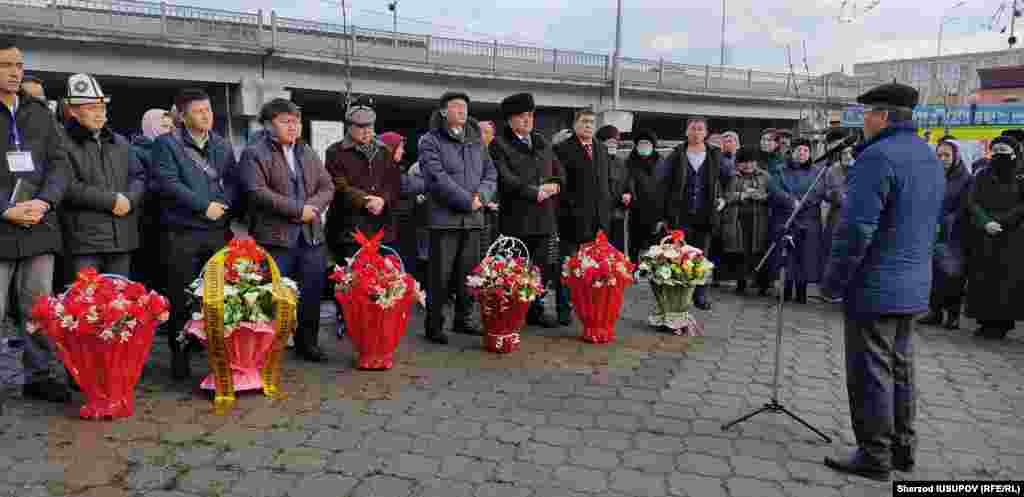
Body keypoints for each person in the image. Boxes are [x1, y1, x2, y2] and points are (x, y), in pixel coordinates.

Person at [823, 83, 944, 481]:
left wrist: (833, 282)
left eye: (867, 114)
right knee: (901, 369)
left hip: (875, 285)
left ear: (883, 117)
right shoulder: (928, 155)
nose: (864, 121)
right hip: (913, 283)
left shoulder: (876, 157)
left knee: (871, 371)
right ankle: (902, 450)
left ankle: (875, 455)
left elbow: (856, 228)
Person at [0, 38, 71, 403]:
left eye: (19, 65)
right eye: (5, 65)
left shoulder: (39, 112)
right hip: (3, 223)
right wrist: (5, 208)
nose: (15, 72)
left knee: (39, 307)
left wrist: (45, 201)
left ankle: (40, 375)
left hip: (39, 225)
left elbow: (60, 163)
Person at [153, 88, 241, 379]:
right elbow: (168, 183)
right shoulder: (167, 144)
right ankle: (180, 356)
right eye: (198, 111)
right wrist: (204, 206)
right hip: (182, 233)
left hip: (217, 232)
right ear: (182, 116)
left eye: (208, 110)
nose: (206, 115)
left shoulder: (221, 145)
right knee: (181, 298)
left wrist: (223, 205)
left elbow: (232, 181)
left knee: (218, 296)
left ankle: (218, 354)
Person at [241, 98, 334, 362]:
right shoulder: (254, 152)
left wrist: (312, 208)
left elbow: (327, 186)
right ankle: (266, 347)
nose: (293, 127)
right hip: (275, 238)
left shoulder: (306, 150)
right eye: (285, 122)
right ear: (269, 125)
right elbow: (256, 191)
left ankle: (308, 343)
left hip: (311, 236)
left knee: (311, 292)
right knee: (272, 296)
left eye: (296, 122)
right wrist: (297, 210)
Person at [419, 91, 497, 343]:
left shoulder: (476, 141)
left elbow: (491, 174)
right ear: (444, 111)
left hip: (473, 220)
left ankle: (464, 319)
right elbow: (436, 177)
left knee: (469, 274)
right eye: (456, 106)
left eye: (464, 106)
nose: (462, 110)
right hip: (444, 220)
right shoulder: (430, 140)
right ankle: (434, 325)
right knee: (439, 277)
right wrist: (466, 200)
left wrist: (481, 197)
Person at [59, 73, 145, 281]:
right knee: (83, 298)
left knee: (120, 297)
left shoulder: (120, 142)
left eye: (102, 108)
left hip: (122, 239)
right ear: (73, 111)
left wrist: (130, 199)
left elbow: (139, 176)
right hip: (83, 242)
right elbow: (67, 186)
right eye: (91, 108)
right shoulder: (60, 141)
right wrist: (112, 201)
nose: (99, 114)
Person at [490, 93, 561, 328]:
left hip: (544, 216)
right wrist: (533, 192)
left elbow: (558, 169)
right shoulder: (499, 144)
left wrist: (556, 184)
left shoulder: (541, 141)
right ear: (509, 119)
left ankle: (535, 308)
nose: (527, 120)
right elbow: (504, 177)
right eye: (521, 116)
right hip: (517, 217)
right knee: (516, 266)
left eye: (530, 115)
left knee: (541, 267)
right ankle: (514, 309)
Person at [661, 116, 730, 310]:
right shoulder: (677, 154)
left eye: (700, 129)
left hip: (705, 214)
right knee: (679, 254)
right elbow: (663, 182)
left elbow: (730, 177)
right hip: (680, 213)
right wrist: (665, 213)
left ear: (706, 133)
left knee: (701, 256)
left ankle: (700, 295)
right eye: (693, 128)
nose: (696, 132)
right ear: (686, 131)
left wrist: (724, 198)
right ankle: (679, 292)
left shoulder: (715, 154)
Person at [553, 109, 611, 325]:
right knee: (568, 265)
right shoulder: (562, 149)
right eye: (584, 121)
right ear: (575, 124)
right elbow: (558, 183)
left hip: (598, 220)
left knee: (593, 266)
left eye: (592, 122)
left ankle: (587, 306)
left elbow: (605, 182)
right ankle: (564, 308)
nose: (588, 125)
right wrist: (570, 207)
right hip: (572, 218)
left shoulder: (601, 149)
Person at [963, 135, 1024, 340]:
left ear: (1015, 154)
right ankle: (984, 320)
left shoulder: (1021, 176)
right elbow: (972, 201)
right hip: (985, 234)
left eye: (1003, 151)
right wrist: (985, 222)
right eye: (995, 150)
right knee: (983, 279)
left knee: (1006, 282)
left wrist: (1002, 221)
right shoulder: (981, 174)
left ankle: (1002, 323)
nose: (998, 155)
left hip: (1011, 237)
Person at [918, 139, 972, 330]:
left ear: (956, 156)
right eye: (939, 155)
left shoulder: (966, 179)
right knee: (934, 274)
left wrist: (946, 221)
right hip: (932, 233)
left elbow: (965, 207)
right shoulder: (932, 176)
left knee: (952, 275)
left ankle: (953, 315)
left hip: (954, 235)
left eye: (946, 155)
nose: (942, 159)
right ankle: (935, 311)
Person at [720, 146, 771, 295]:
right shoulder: (732, 176)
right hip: (737, 219)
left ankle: (762, 284)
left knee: (759, 250)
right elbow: (725, 195)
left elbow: (772, 194)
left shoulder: (765, 176)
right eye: (744, 162)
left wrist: (760, 195)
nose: (748, 165)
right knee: (740, 251)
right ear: (738, 163)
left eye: (751, 161)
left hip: (760, 219)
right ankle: (741, 282)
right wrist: (741, 195)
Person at [130, 108, 172, 288]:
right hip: (147, 221)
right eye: (164, 126)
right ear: (151, 126)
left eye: (170, 127)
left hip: (167, 221)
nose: (168, 131)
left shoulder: (170, 150)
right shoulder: (137, 152)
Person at [625, 129, 669, 264]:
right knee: (634, 247)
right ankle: (634, 269)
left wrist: (664, 215)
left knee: (656, 250)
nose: (644, 146)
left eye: (647, 143)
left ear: (653, 146)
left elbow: (667, 188)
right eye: (641, 143)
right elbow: (625, 184)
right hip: (636, 213)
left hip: (656, 213)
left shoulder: (662, 163)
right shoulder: (629, 163)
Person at [597, 124, 630, 252]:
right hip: (598, 216)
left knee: (616, 251)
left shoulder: (620, 163)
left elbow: (627, 184)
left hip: (617, 215)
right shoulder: (594, 161)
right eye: (609, 142)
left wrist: (627, 195)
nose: (613, 145)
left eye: (615, 142)